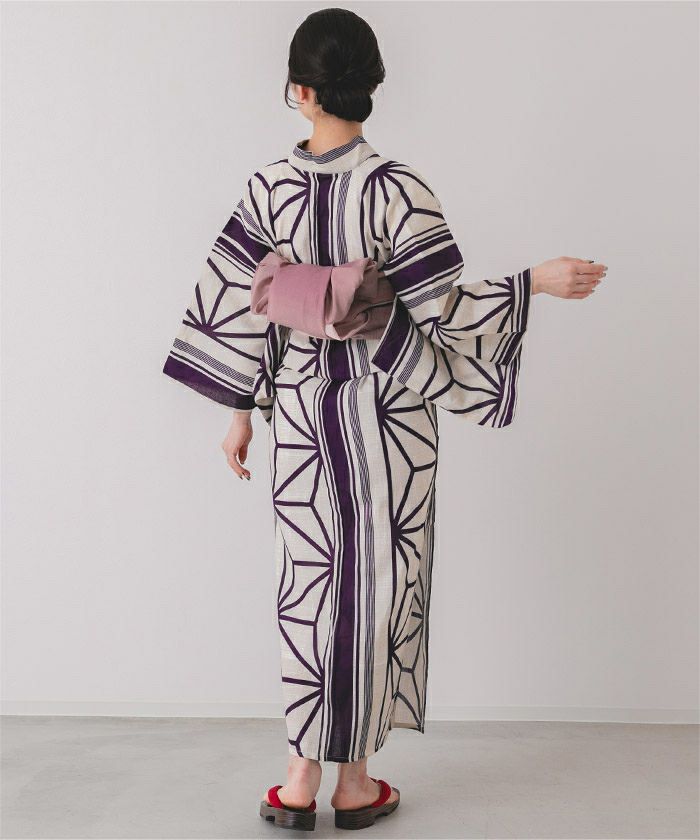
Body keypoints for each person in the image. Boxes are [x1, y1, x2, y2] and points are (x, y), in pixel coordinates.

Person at [162, 7, 606, 832]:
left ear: (299, 90)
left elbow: (243, 307)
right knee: (378, 583)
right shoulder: (399, 189)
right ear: (370, 86)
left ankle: (299, 779)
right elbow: (445, 311)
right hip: (389, 412)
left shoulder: (268, 187)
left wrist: (239, 412)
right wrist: (533, 283)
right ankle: (356, 783)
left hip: (303, 412)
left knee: (310, 584)